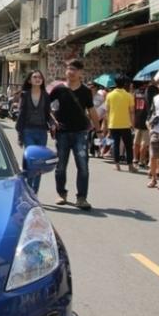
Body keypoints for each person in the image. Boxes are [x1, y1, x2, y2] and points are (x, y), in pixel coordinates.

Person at [49, 60, 100, 210]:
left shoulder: (85, 91)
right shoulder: (58, 89)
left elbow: (91, 111)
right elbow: (46, 106)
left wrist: (99, 130)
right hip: (62, 133)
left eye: (75, 69)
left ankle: (82, 198)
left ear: (80, 73)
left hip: (80, 133)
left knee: (83, 166)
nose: (71, 71)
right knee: (61, 166)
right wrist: (52, 122)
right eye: (69, 69)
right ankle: (61, 194)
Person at [15, 70, 51, 195]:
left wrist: (52, 125)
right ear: (30, 80)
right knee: (31, 160)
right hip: (28, 130)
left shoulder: (46, 95)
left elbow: (47, 113)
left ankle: (34, 191)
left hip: (41, 131)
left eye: (40, 77)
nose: (37, 79)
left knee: (40, 161)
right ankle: (28, 190)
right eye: (34, 77)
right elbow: (21, 114)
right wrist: (20, 133)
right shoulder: (25, 94)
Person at [105, 75, 135, 173]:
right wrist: (133, 123)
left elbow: (107, 111)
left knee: (116, 144)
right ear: (125, 84)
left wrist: (107, 124)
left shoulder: (109, 95)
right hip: (126, 124)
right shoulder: (129, 95)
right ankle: (130, 166)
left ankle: (117, 165)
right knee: (128, 146)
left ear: (115, 83)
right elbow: (131, 111)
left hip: (113, 123)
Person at [146, 77, 159, 189]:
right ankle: (154, 179)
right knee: (154, 156)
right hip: (156, 129)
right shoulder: (155, 98)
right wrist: (149, 126)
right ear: (158, 86)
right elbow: (151, 113)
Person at [132, 80, 150, 170]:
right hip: (146, 121)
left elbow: (132, 108)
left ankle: (135, 159)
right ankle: (141, 161)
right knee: (144, 143)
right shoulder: (149, 93)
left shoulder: (135, 93)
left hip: (137, 120)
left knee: (136, 142)